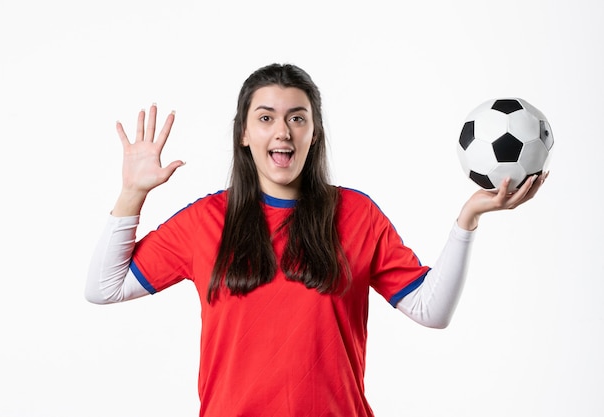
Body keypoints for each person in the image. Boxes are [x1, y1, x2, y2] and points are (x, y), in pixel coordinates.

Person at [86, 63, 547, 416]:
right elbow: (103, 288)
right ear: (244, 134)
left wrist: (468, 218)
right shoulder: (206, 221)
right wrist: (132, 192)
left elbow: (431, 310)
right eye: (265, 118)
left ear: (314, 131)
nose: (282, 131)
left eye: (297, 118)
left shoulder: (355, 214)